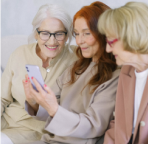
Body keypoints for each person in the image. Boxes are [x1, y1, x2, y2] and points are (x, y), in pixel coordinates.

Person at [23, 1, 120, 144]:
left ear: (104, 33)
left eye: (86, 33)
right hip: (50, 139)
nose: (79, 41)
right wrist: (34, 101)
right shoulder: (76, 67)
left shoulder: (116, 76)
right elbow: (50, 106)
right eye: (77, 34)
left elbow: (94, 126)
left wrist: (54, 109)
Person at [0, 4, 78, 144]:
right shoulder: (20, 53)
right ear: (36, 33)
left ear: (67, 36)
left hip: (35, 132)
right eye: (45, 33)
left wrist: (34, 102)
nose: (52, 41)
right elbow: (1, 97)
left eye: (59, 33)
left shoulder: (76, 60)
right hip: (5, 121)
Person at [98, 2, 148, 144]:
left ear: (131, 36)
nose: (107, 49)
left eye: (111, 41)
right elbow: (118, 124)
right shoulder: (127, 70)